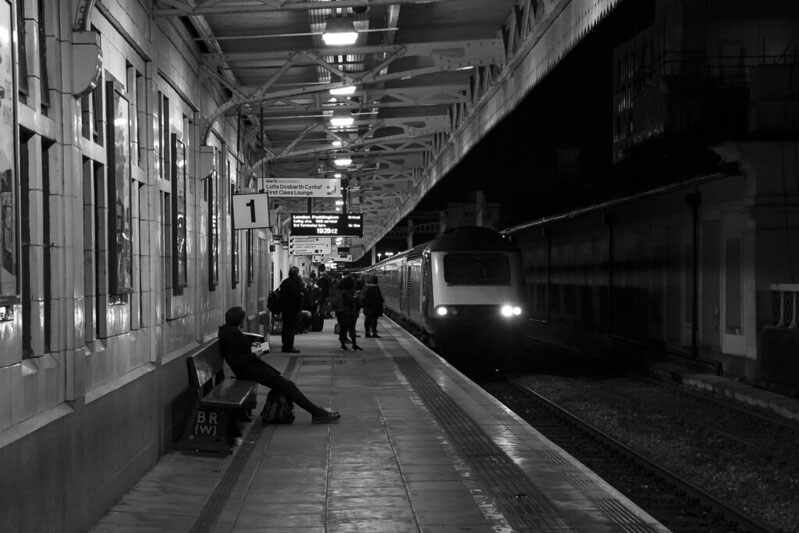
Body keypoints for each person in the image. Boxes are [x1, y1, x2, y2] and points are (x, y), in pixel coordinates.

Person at [218, 306, 340, 423]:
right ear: (240, 321)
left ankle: (316, 412)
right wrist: (255, 354)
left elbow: (239, 353)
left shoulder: (228, 331)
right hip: (250, 371)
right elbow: (237, 359)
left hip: (251, 369)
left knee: (286, 385)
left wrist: (255, 349)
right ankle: (317, 413)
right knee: (288, 386)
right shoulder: (233, 334)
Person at [278, 266, 303, 353]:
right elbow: (296, 297)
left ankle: (285, 345)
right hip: (292, 310)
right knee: (291, 329)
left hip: (285, 309)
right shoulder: (293, 284)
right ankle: (289, 346)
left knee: (285, 328)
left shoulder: (285, 282)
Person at [334, 275, 361, 351]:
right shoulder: (346, 292)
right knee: (351, 328)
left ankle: (343, 345)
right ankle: (354, 345)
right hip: (347, 313)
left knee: (343, 329)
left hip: (340, 312)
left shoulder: (339, 291)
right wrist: (355, 298)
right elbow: (350, 302)